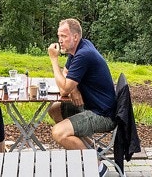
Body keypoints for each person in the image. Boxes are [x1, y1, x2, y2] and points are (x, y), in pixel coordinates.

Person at [48, 18, 117, 149]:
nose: (60, 40)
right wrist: (74, 89)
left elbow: (63, 90)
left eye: (64, 36)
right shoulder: (78, 48)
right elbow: (66, 74)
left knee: (58, 132)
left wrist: (53, 59)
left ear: (75, 36)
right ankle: (92, 149)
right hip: (93, 106)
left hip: (103, 114)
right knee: (55, 109)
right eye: (59, 36)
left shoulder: (83, 55)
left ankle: (96, 166)